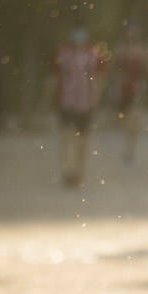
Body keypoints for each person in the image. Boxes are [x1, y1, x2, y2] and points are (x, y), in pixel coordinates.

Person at [52, 27, 107, 188]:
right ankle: (68, 170)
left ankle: (79, 171)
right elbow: (55, 78)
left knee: (82, 139)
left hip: (85, 102)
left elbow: (98, 78)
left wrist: (96, 98)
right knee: (67, 137)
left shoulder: (93, 54)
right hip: (67, 101)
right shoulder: (63, 54)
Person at [111, 20, 148, 164]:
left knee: (134, 119)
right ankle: (124, 146)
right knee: (122, 119)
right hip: (122, 86)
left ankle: (129, 150)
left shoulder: (143, 50)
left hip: (136, 87)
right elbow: (113, 68)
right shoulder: (120, 49)